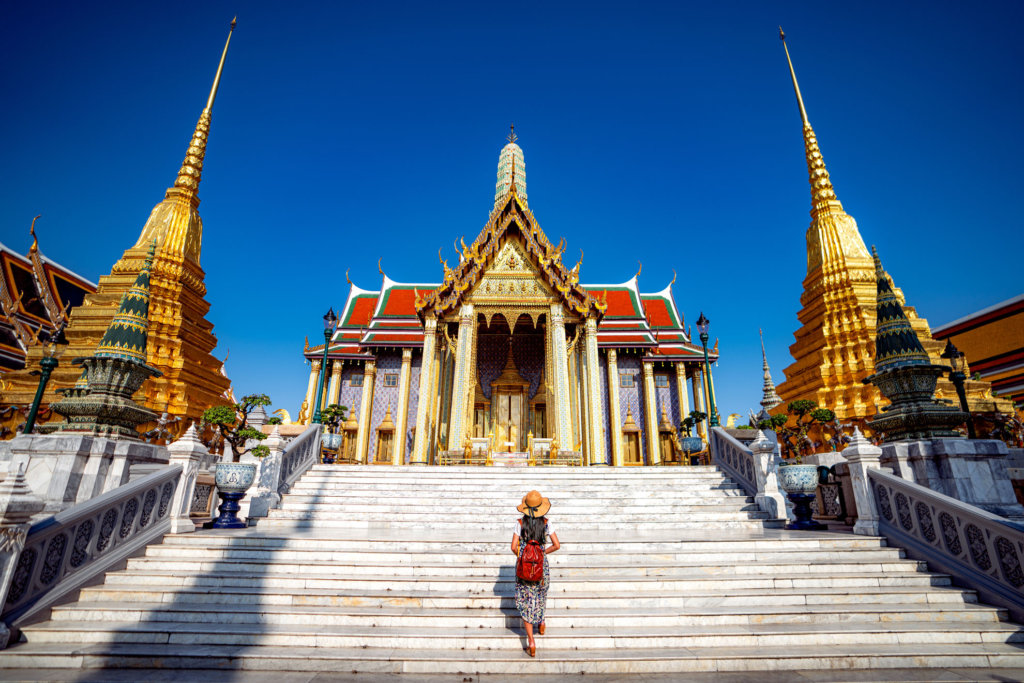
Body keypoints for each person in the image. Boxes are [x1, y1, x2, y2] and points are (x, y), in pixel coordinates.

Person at [511, 490, 560, 657]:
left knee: (526, 600)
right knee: (541, 593)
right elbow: (557, 545)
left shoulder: (520, 523)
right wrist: (542, 553)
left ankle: (531, 641)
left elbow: (513, 547)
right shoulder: (546, 522)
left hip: (524, 565)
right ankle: (542, 620)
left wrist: (523, 557)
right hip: (541, 565)